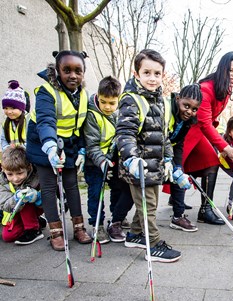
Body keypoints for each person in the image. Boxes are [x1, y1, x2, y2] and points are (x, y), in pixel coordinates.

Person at [116, 48, 181, 262]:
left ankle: (135, 234)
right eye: (147, 73)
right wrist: (131, 159)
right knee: (149, 205)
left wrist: (169, 158)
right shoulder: (131, 100)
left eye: (157, 73)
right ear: (137, 74)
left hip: (156, 163)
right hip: (139, 165)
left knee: (147, 202)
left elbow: (163, 134)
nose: (152, 78)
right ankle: (153, 245)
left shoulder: (159, 100)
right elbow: (125, 133)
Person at [26, 50, 92, 251]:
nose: (73, 75)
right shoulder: (46, 91)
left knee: (71, 184)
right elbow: (46, 121)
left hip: (69, 143)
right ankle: (56, 232)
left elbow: (80, 125)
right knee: (48, 185)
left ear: (83, 73)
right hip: (43, 143)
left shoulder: (83, 94)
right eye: (67, 70)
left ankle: (79, 228)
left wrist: (81, 149)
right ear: (57, 71)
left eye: (78, 71)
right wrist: (51, 148)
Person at [182, 51, 233, 225]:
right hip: (190, 134)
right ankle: (178, 206)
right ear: (223, 69)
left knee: (210, 162)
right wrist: (225, 147)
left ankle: (205, 210)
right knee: (181, 167)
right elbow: (204, 123)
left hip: (201, 132)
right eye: (231, 70)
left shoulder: (225, 88)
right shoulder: (206, 89)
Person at [83, 76, 134, 243]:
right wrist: (102, 161)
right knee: (96, 193)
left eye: (112, 103)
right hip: (94, 162)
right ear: (98, 95)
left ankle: (116, 219)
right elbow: (92, 146)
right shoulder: (92, 115)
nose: (107, 107)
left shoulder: (119, 113)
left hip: (112, 160)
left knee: (117, 188)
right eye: (104, 101)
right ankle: (96, 224)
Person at [167, 84, 202, 232]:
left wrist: (178, 167)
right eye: (186, 106)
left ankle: (178, 217)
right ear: (178, 99)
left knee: (179, 177)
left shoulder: (186, 121)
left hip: (170, 151)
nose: (189, 112)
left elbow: (179, 144)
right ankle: (117, 221)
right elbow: (161, 138)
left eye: (194, 109)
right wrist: (168, 161)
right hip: (153, 151)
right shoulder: (167, 111)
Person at [0, 146, 44, 244]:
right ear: (3, 169)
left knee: (25, 195)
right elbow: (5, 206)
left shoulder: (38, 176)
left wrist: (37, 197)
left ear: (28, 167)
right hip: (14, 211)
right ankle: (37, 221)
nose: (15, 179)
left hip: (36, 206)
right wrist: (15, 198)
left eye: (19, 173)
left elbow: (51, 200)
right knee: (8, 236)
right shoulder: (2, 182)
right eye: (10, 174)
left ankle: (33, 230)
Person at [1, 80, 29, 150]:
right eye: (6, 108)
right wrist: (8, 149)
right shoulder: (5, 124)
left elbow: (33, 141)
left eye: (13, 108)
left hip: (28, 158)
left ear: (21, 108)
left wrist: (18, 149)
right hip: (11, 158)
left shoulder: (29, 120)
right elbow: (3, 140)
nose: (9, 111)